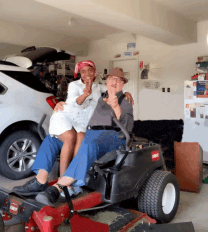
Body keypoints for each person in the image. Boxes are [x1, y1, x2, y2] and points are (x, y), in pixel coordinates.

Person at [13, 68, 133, 207]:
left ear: (123, 84)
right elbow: (78, 106)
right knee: (53, 139)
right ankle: (40, 180)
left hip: (114, 135)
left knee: (89, 143)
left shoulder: (125, 100)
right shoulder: (100, 96)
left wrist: (116, 107)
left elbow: (127, 126)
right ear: (106, 81)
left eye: (119, 80)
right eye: (112, 78)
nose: (114, 82)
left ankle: (59, 187)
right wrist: (59, 103)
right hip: (90, 132)